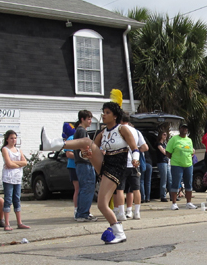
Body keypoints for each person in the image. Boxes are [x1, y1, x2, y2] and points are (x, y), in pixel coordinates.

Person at [47, 95, 140, 244]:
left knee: (102, 204)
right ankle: (54, 144)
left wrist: (135, 159)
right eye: (103, 112)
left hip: (118, 167)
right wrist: (86, 154)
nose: (103, 115)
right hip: (106, 163)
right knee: (85, 141)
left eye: (107, 112)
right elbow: (88, 151)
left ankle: (118, 231)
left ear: (115, 116)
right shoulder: (102, 133)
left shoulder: (123, 129)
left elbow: (135, 148)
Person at [119, 113, 148, 220]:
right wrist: (136, 150)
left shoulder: (119, 129)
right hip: (134, 163)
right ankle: (136, 212)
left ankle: (121, 213)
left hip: (122, 163)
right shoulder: (136, 131)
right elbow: (145, 147)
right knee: (135, 189)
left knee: (120, 190)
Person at [0, 130, 31, 230]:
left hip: (17, 177)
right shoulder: (5, 149)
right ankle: (7, 223)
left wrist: (15, 163)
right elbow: (8, 163)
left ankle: (19, 222)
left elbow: (25, 162)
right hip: (8, 177)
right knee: (8, 199)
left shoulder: (18, 150)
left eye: (15, 138)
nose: (14, 140)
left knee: (17, 199)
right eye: (11, 138)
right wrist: (18, 164)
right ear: (7, 139)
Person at [73, 110, 97, 222]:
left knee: (83, 188)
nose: (90, 121)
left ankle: (82, 212)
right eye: (88, 119)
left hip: (80, 164)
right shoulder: (82, 131)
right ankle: (83, 213)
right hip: (84, 163)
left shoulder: (79, 131)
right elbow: (84, 148)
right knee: (87, 187)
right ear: (82, 119)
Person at [166, 124, 197, 210]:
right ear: (179, 129)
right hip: (177, 165)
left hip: (188, 164)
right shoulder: (174, 139)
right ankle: (174, 203)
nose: (184, 129)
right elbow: (168, 152)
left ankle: (189, 202)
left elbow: (191, 152)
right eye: (183, 128)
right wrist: (175, 159)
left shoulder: (189, 140)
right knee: (175, 183)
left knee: (189, 184)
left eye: (186, 128)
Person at [156, 130, 172, 202]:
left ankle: (172, 195)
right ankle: (163, 196)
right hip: (161, 162)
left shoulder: (165, 144)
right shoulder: (159, 144)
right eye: (164, 135)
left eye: (166, 135)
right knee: (164, 179)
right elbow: (165, 152)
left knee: (170, 179)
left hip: (166, 162)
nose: (165, 136)